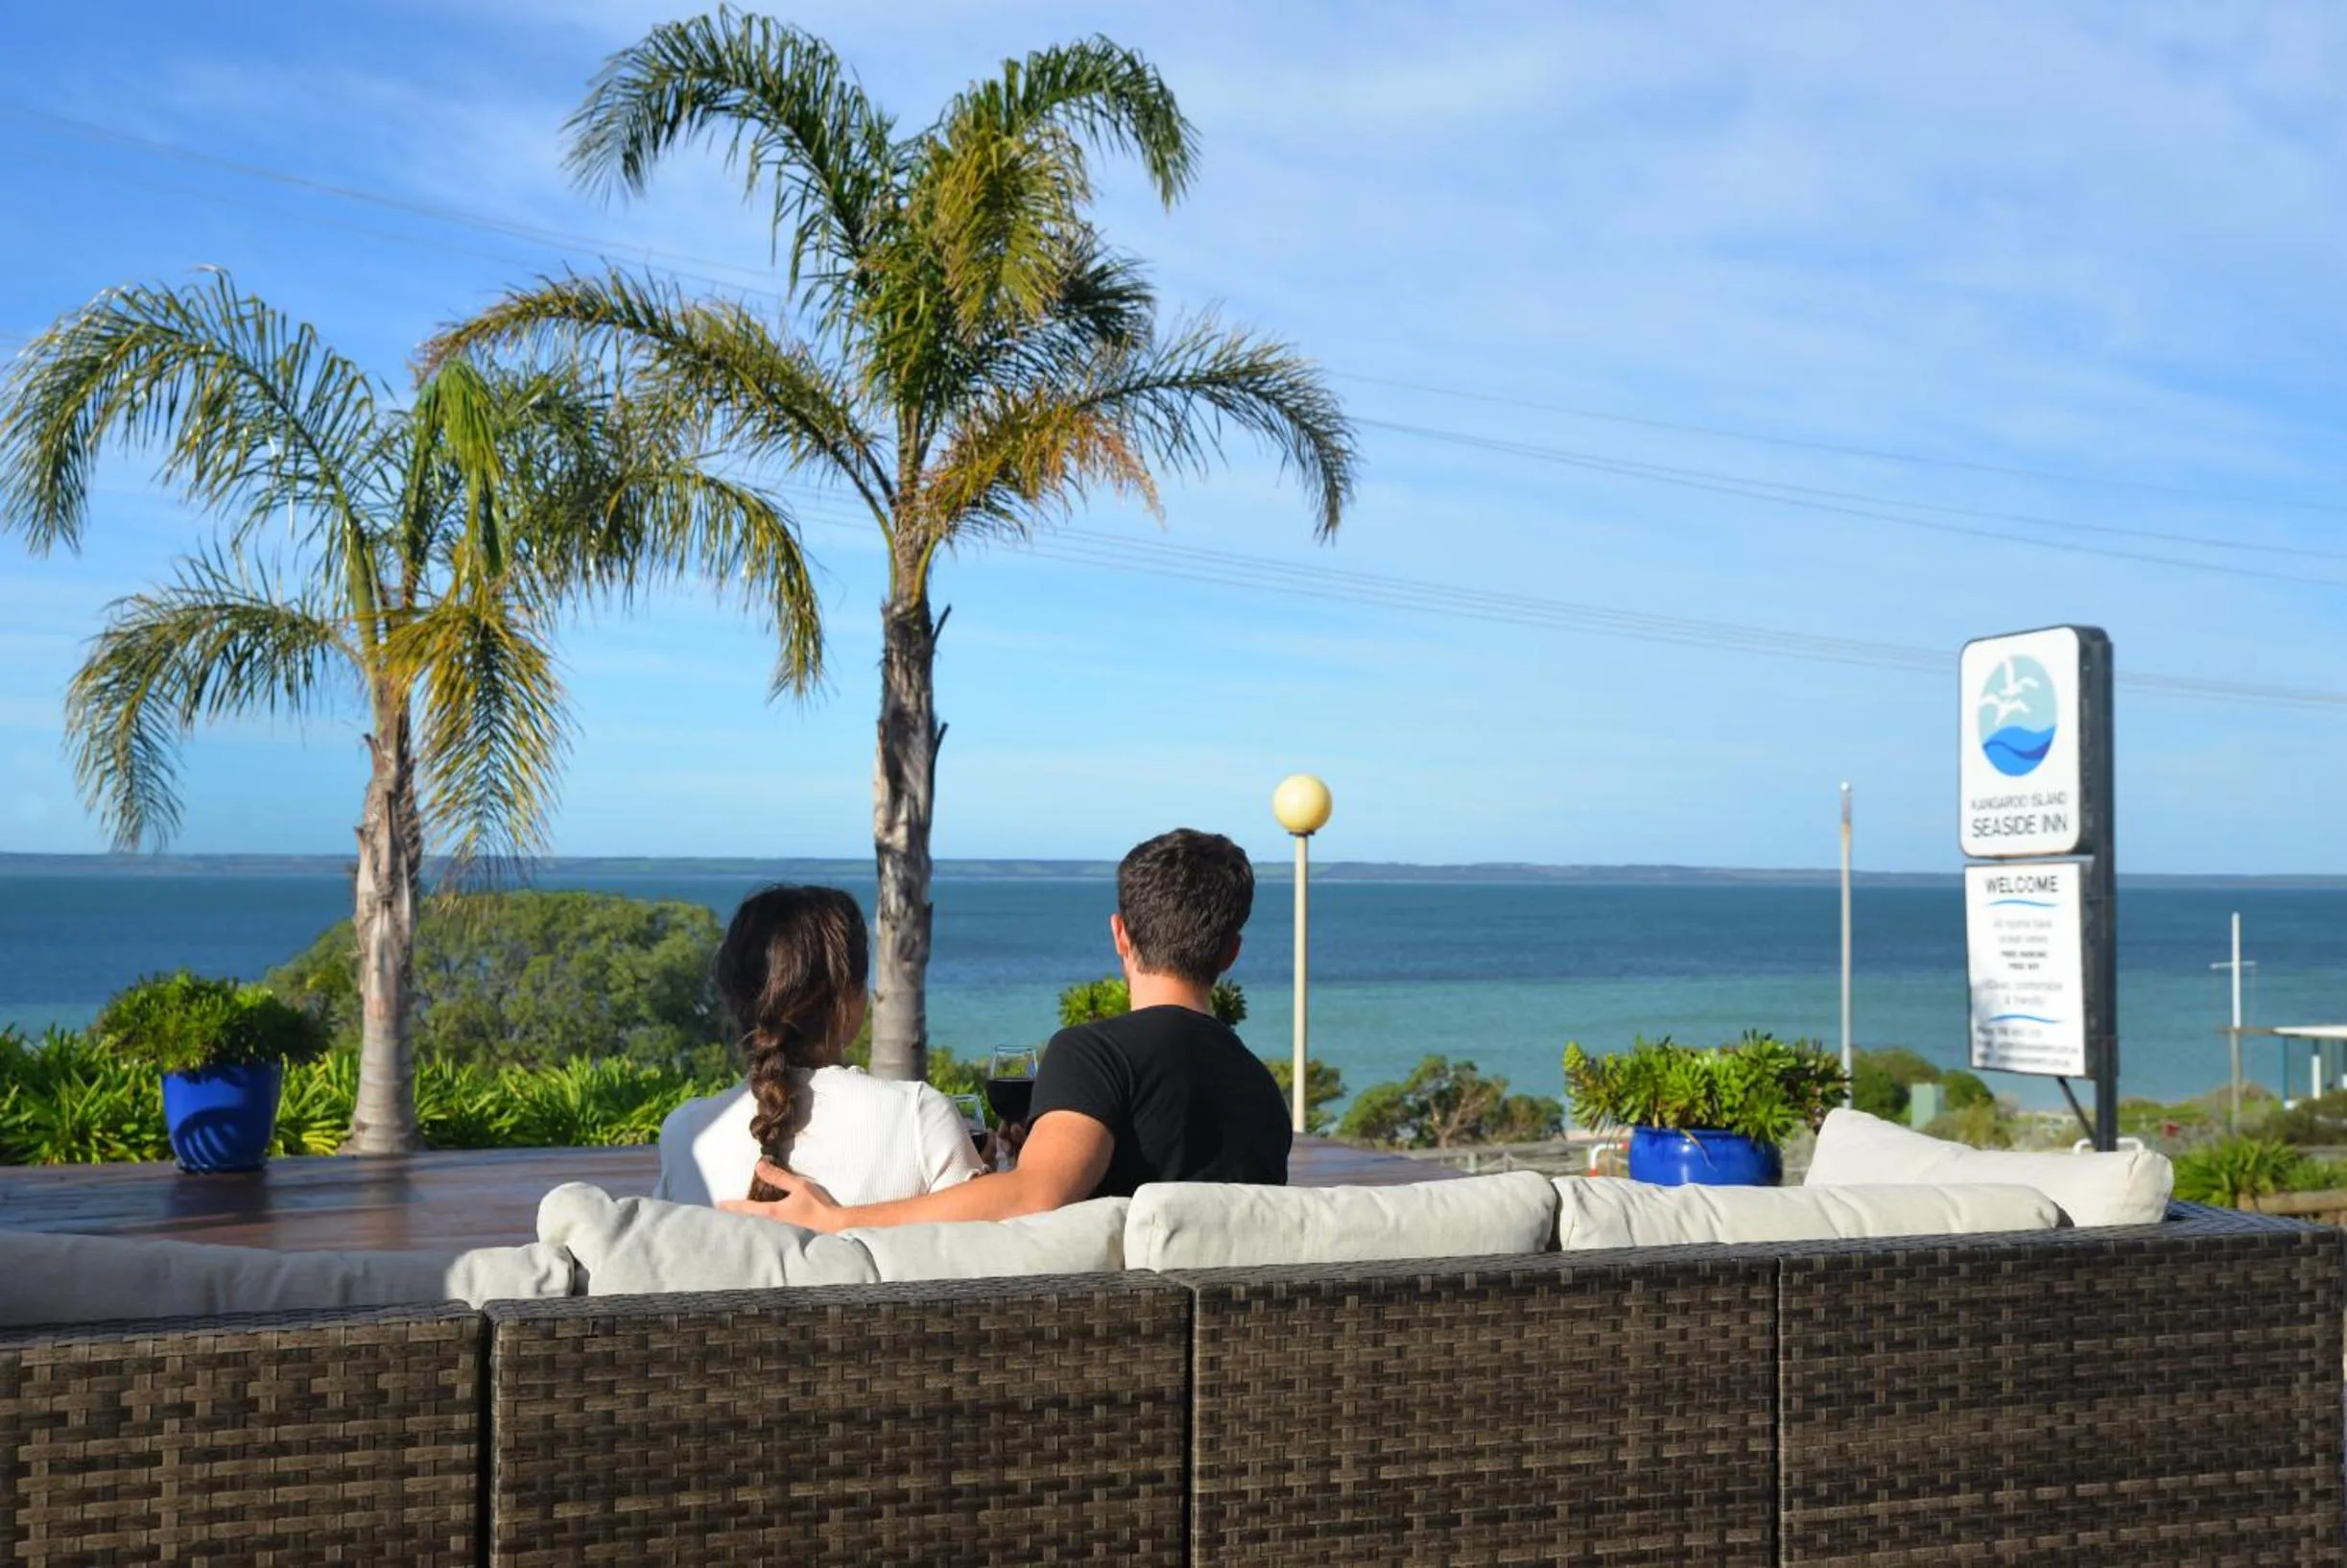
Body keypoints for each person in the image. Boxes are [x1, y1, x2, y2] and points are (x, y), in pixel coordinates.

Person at [722, 828, 1291, 1232]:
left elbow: (1035, 1199)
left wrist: (842, 1220)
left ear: (1120, 935)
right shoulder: (1262, 1091)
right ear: (1232, 953)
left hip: (1116, 1361)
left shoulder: (1095, 1055)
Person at [655, 884, 983, 1207]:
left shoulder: (684, 1135)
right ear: (849, 999)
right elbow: (972, 1250)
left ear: (733, 999)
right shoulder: (918, 1117)